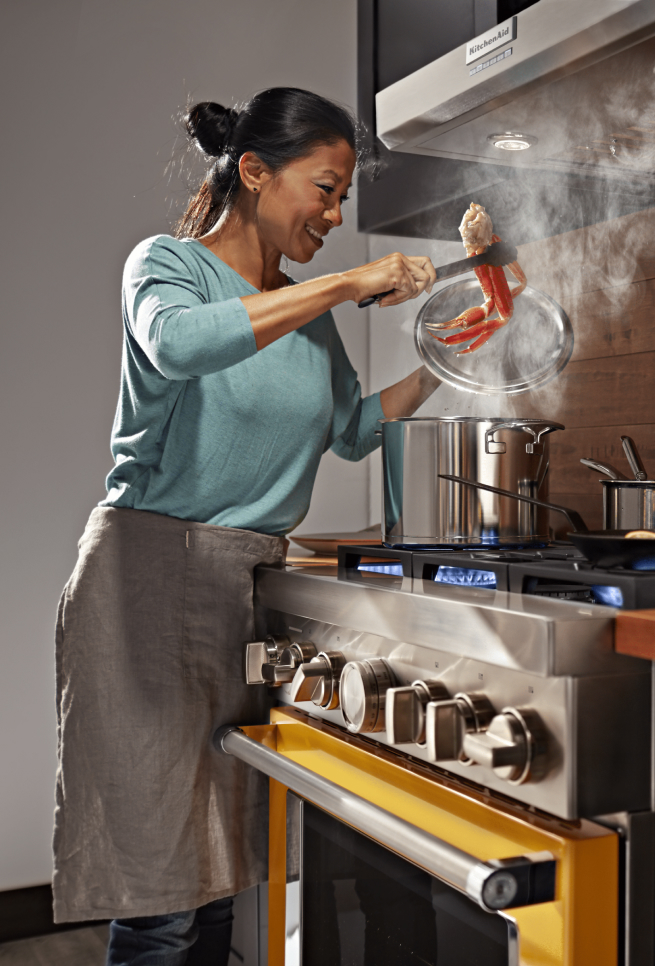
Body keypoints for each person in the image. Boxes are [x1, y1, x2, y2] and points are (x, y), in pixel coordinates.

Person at [52, 87, 442, 965]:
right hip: (144, 585)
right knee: (164, 891)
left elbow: (352, 432)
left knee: (223, 867)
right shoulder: (167, 266)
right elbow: (182, 345)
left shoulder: (304, 315)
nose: (336, 214)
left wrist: (449, 354)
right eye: (326, 188)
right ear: (256, 173)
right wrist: (346, 287)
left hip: (251, 592)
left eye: (344, 197)